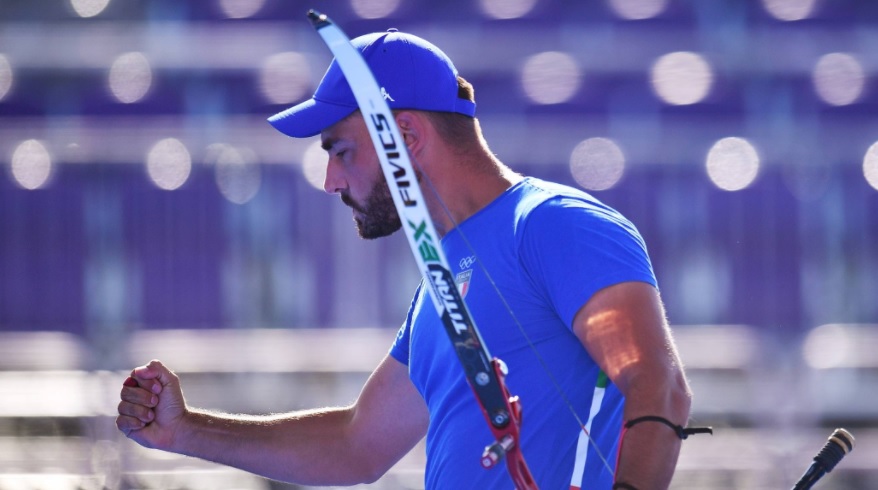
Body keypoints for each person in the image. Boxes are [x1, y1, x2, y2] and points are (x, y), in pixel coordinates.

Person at [117, 29, 693, 489]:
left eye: (341, 151)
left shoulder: (552, 223)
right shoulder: (441, 279)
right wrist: (186, 432)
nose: (329, 179)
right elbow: (356, 444)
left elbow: (658, 383)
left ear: (406, 136)